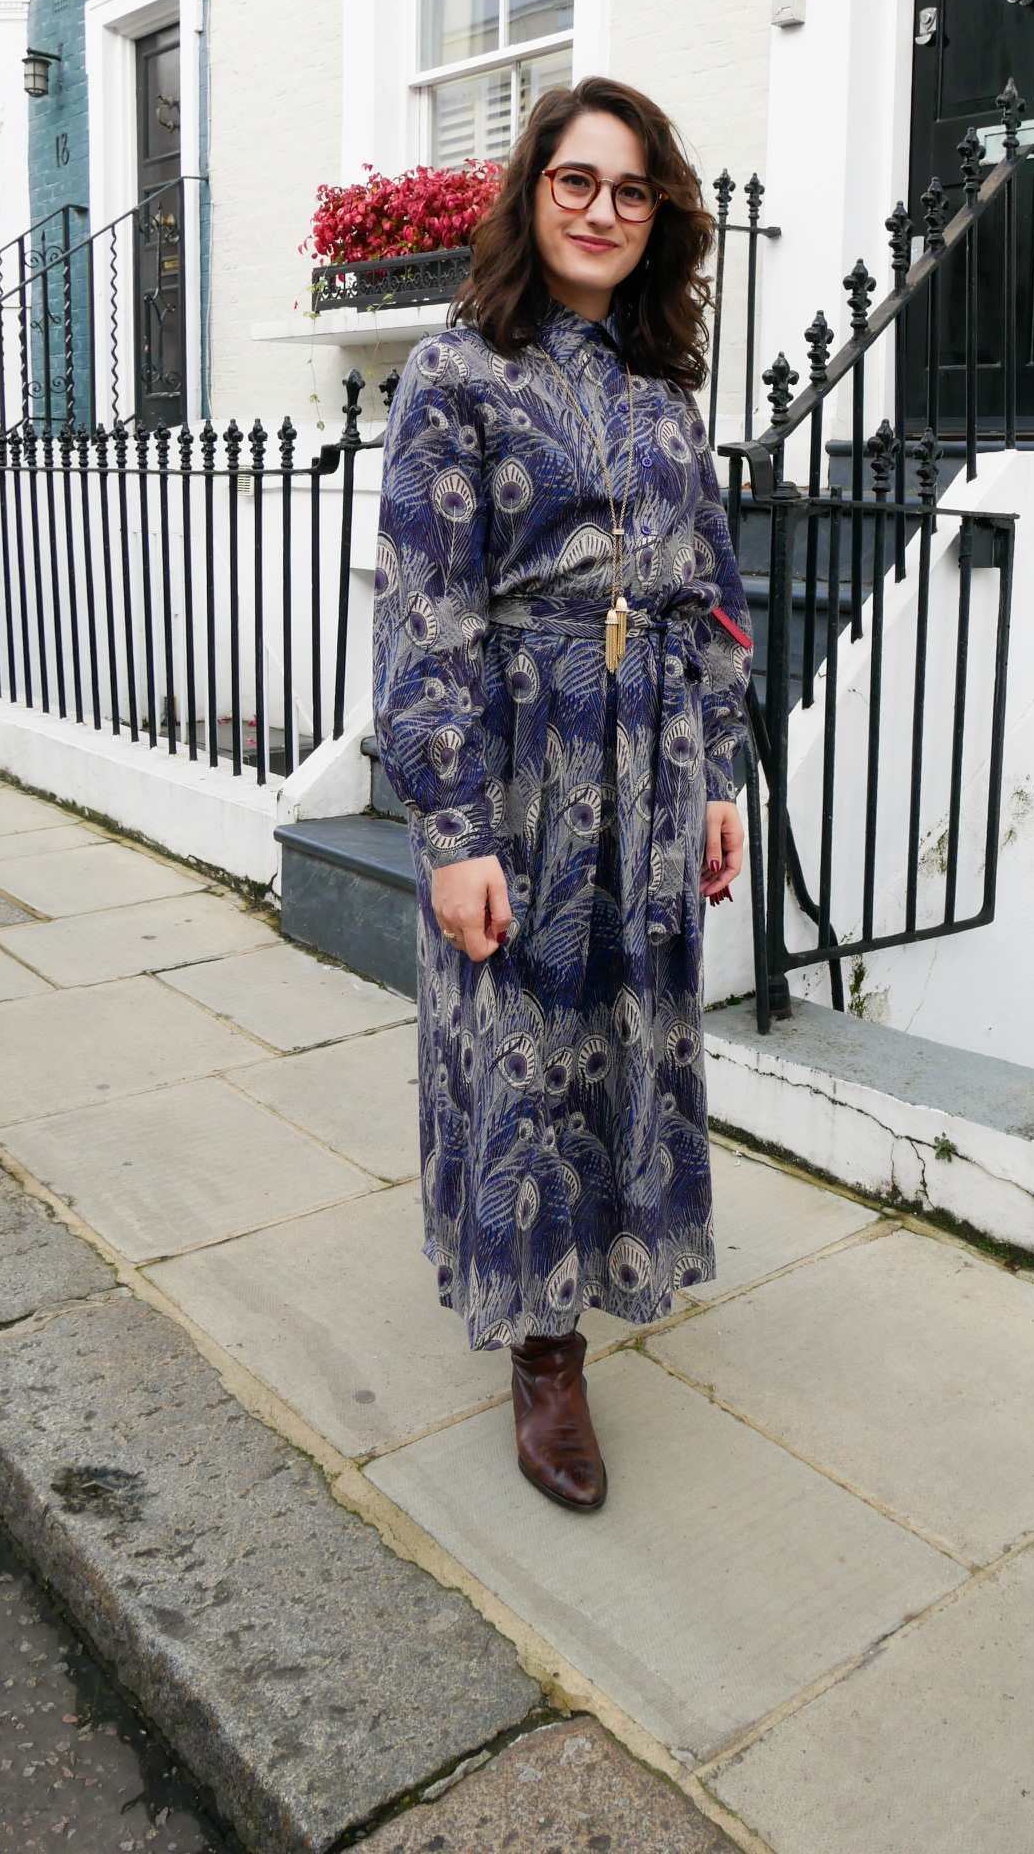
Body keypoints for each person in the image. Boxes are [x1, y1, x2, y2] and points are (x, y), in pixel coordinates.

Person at [372, 77, 752, 1511]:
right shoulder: (458, 372)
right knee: (525, 1050)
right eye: (578, 182)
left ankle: (597, 1276)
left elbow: (712, 595)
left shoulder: (665, 391)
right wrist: (454, 828)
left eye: (632, 190)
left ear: (660, 219)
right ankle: (545, 1351)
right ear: (535, 194)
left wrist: (716, 772)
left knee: (628, 1041)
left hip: (652, 761)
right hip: (524, 757)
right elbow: (425, 615)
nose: (603, 210)